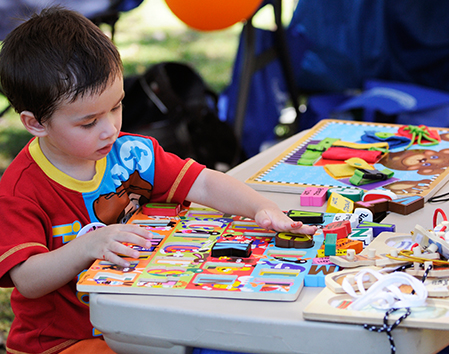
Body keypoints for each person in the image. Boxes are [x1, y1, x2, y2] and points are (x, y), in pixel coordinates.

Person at [0, 7, 316, 354]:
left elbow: (206, 183)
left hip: (142, 319)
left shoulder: (133, 154)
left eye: (116, 107)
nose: (110, 129)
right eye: (88, 122)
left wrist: (262, 207)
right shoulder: (20, 189)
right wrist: (88, 246)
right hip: (64, 342)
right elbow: (27, 279)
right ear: (36, 124)